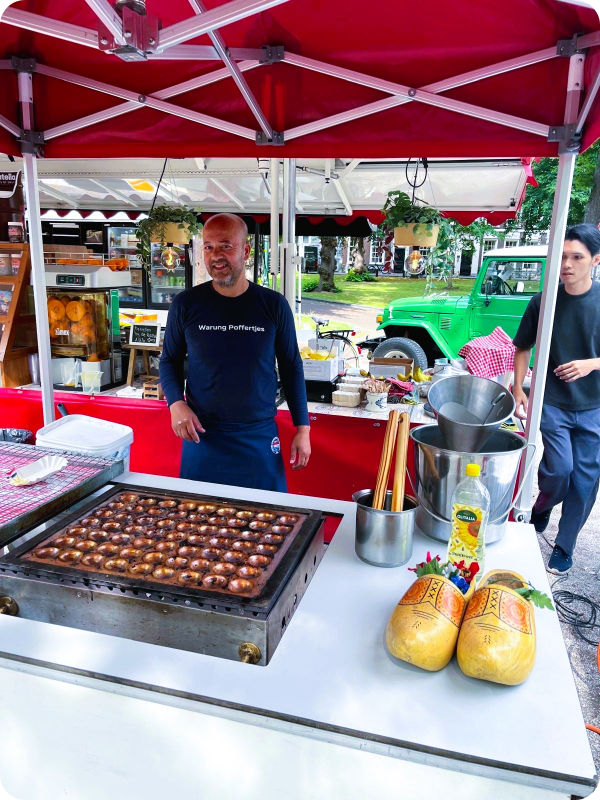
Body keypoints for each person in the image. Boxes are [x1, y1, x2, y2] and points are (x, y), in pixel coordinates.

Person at [159, 213, 310, 492]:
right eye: (208, 247)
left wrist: (303, 428)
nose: (216, 255)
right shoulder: (185, 304)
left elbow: (291, 367)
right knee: (198, 516)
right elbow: (169, 360)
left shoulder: (273, 305)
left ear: (246, 251)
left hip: (258, 438)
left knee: (267, 515)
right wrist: (175, 403)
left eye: (226, 246)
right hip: (203, 437)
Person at [512, 223, 600, 574]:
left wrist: (591, 364)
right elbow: (522, 346)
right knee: (559, 470)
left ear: (595, 260)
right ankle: (544, 502)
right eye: (562, 256)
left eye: (577, 257)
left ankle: (565, 545)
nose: (567, 264)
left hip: (594, 406)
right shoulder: (543, 300)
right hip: (552, 402)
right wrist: (518, 388)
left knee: (585, 480)